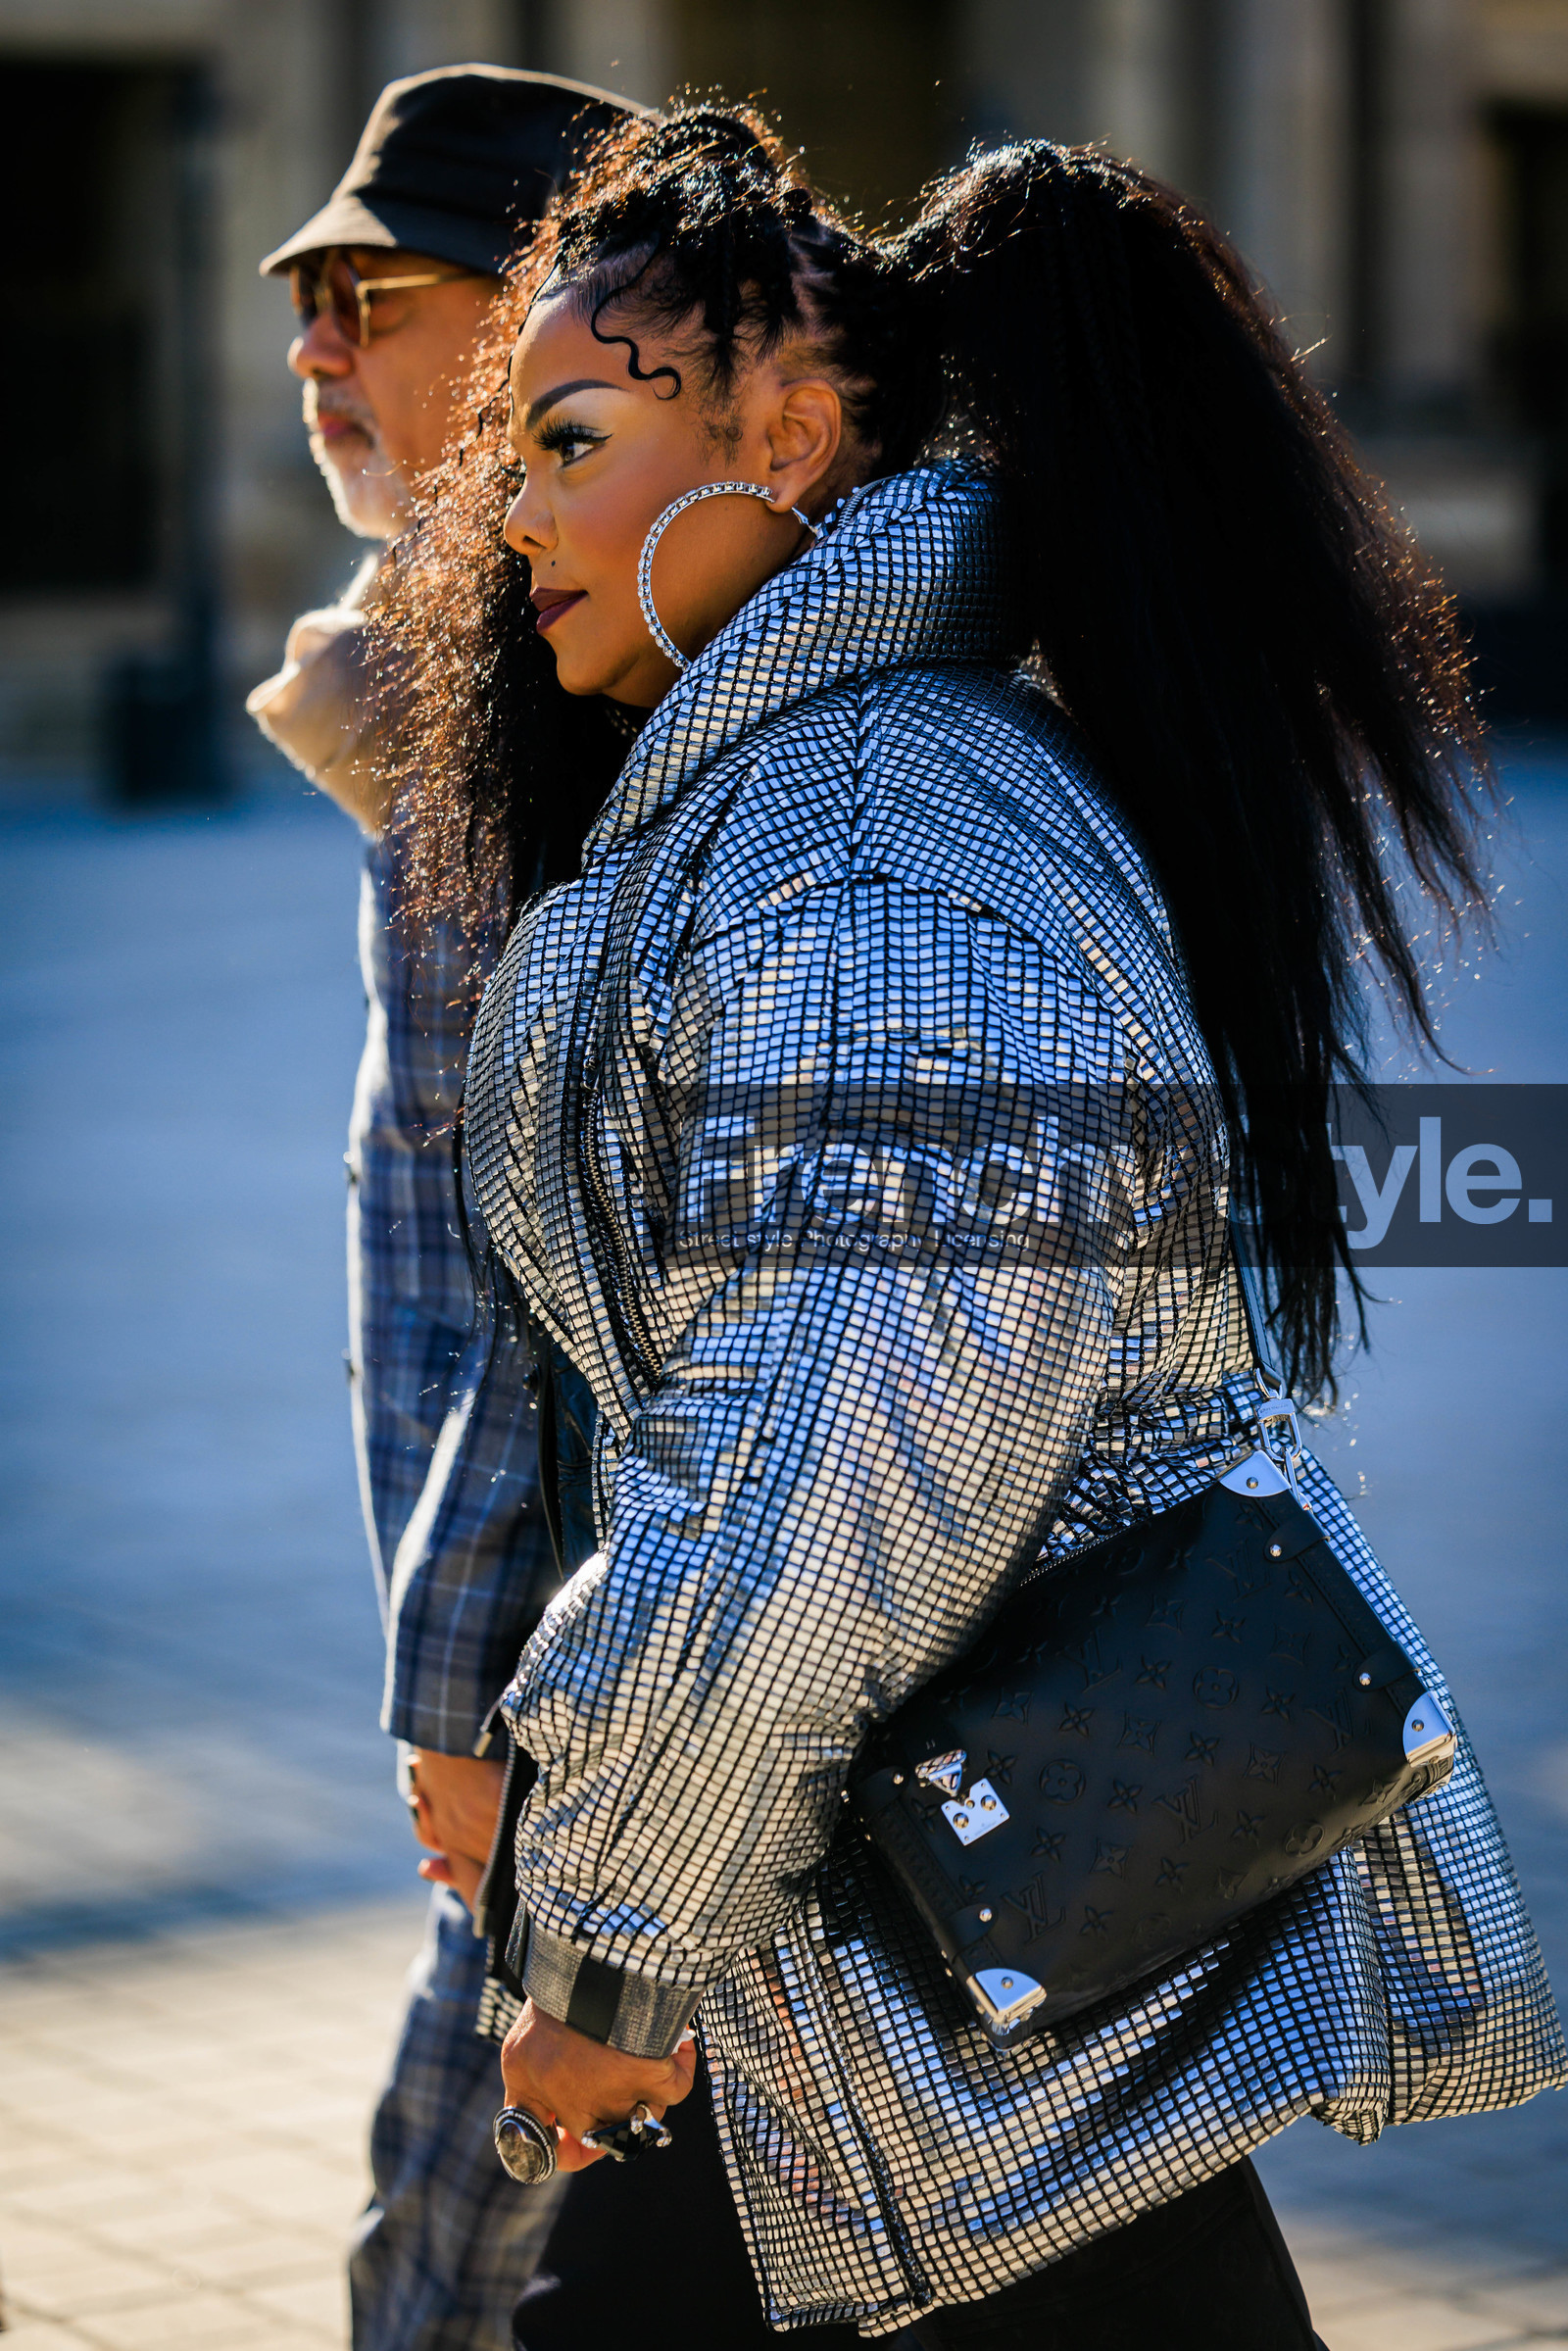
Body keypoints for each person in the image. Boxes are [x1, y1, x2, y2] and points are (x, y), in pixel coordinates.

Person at [385, 111, 1566, 2346]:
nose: (509, 514)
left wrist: (611, 1933)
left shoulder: (862, 838)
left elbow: (837, 1452)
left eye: (565, 438)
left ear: (793, 441)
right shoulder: (790, 796)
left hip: (934, 1957)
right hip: (903, 1968)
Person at [247, 64, 639, 2351]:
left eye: (367, 295)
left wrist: (465, 1714)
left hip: (606, 1712)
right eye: (301, 290)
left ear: (543, 334)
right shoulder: (456, 671)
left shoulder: (580, 697)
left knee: (460, 2277)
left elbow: (540, 1280)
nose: (310, 347)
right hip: (560, 1709)